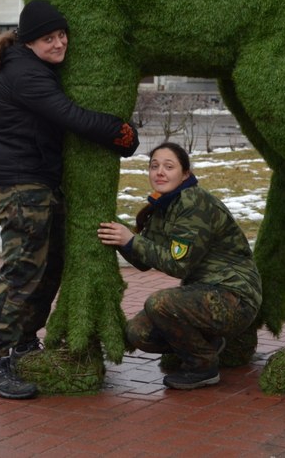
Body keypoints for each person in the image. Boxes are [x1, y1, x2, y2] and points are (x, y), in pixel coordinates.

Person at [0, 0, 140, 400]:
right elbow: (68, 115)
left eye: (62, 35)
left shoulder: (34, 67)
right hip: (19, 183)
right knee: (22, 270)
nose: (59, 44)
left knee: (49, 265)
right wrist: (121, 134)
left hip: (38, 181)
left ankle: (25, 343)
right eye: (49, 38)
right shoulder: (25, 75)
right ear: (30, 42)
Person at [96, 141, 261, 390]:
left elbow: (178, 264)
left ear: (185, 173)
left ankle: (203, 366)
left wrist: (131, 239)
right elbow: (143, 261)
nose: (160, 171)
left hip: (235, 297)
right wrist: (120, 238)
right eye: (154, 166)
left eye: (169, 166)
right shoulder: (164, 205)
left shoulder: (193, 203)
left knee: (159, 303)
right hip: (204, 296)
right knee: (138, 332)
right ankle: (208, 343)